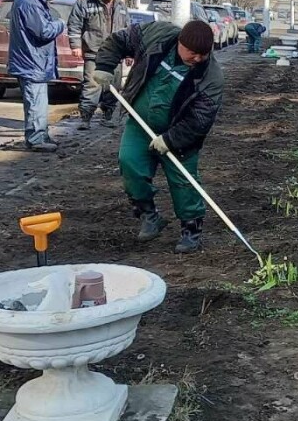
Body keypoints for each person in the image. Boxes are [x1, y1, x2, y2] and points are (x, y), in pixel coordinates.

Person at [91, 21, 223, 254]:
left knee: (184, 181)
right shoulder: (156, 36)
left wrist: (170, 140)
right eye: (193, 53)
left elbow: (200, 121)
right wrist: (104, 66)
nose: (198, 59)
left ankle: (191, 229)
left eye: (203, 54)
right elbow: (119, 41)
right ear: (180, 43)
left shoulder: (211, 76)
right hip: (140, 124)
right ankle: (149, 215)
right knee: (129, 163)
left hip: (178, 136)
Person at [8, 0, 66, 152]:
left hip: (31, 60)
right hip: (31, 62)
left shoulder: (27, 1)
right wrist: (60, 24)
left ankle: (41, 134)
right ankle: (36, 139)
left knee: (38, 102)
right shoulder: (31, 4)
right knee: (35, 102)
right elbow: (44, 31)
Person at [68, 0, 129, 129]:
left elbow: (128, 30)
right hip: (93, 52)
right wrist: (75, 46)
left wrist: (129, 52)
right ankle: (86, 118)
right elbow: (74, 25)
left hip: (116, 54)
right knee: (91, 85)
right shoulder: (85, 3)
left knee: (113, 87)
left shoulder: (121, 7)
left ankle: (108, 116)